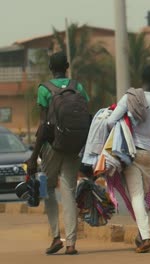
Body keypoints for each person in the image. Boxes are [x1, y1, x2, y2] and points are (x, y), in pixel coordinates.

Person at [26, 51, 89, 255]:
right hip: (73, 147)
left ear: (51, 69)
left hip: (51, 147)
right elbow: (87, 116)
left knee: (47, 188)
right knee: (68, 191)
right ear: (67, 66)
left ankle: (55, 236)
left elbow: (44, 126)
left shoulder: (44, 89)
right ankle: (71, 243)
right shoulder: (77, 87)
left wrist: (34, 156)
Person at [106, 65, 150, 253]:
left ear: (142, 79)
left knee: (136, 195)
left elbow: (110, 122)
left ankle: (145, 237)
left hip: (130, 152)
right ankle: (141, 235)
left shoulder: (129, 97)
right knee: (142, 197)